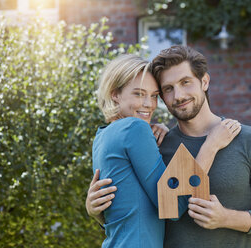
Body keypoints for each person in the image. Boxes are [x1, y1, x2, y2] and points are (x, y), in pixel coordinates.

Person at [87, 46, 251, 248]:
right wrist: (98, 212)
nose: (178, 96)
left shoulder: (248, 140)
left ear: (204, 81)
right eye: (168, 89)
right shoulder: (158, 144)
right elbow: (139, 212)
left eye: (186, 82)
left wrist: (227, 218)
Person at [91, 53, 241, 248]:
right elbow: (172, 206)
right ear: (115, 94)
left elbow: (123, 210)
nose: (149, 104)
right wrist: (211, 145)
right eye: (139, 94)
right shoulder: (135, 129)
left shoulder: (102, 136)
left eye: (153, 96)